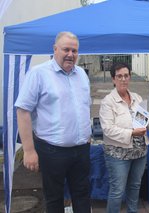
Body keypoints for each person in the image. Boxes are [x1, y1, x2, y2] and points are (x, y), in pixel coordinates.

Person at [15, 31, 91, 213]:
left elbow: (84, 106)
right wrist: (28, 150)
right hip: (52, 152)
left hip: (81, 150)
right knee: (54, 199)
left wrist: (87, 135)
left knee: (82, 196)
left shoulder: (81, 74)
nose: (71, 55)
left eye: (75, 51)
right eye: (66, 49)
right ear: (55, 49)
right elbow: (23, 111)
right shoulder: (38, 74)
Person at [99, 62, 149, 213]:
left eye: (126, 76)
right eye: (119, 76)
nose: (123, 79)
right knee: (117, 191)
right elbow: (107, 129)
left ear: (130, 77)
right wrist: (131, 133)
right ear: (113, 79)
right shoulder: (108, 102)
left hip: (139, 153)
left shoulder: (137, 98)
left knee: (134, 187)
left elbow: (146, 121)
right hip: (117, 154)